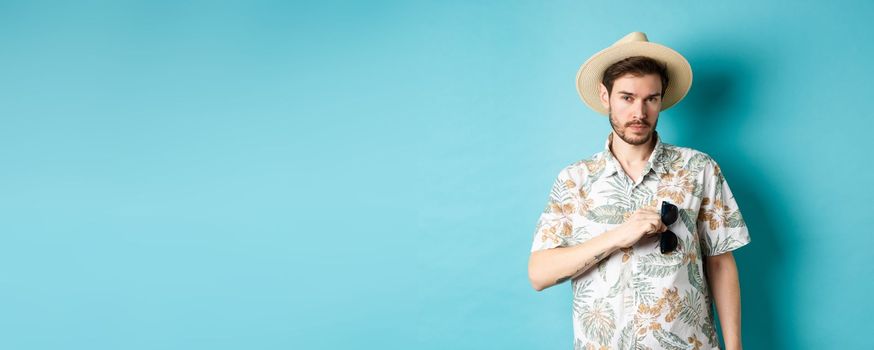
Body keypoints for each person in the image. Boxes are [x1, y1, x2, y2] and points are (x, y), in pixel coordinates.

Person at [527, 32, 750, 350]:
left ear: (661, 99)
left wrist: (735, 347)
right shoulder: (574, 180)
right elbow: (539, 274)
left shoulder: (699, 169)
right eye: (627, 98)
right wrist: (618, 236)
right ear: (606, 96)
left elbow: (721, 262)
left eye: (651, 99)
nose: (639, 113)